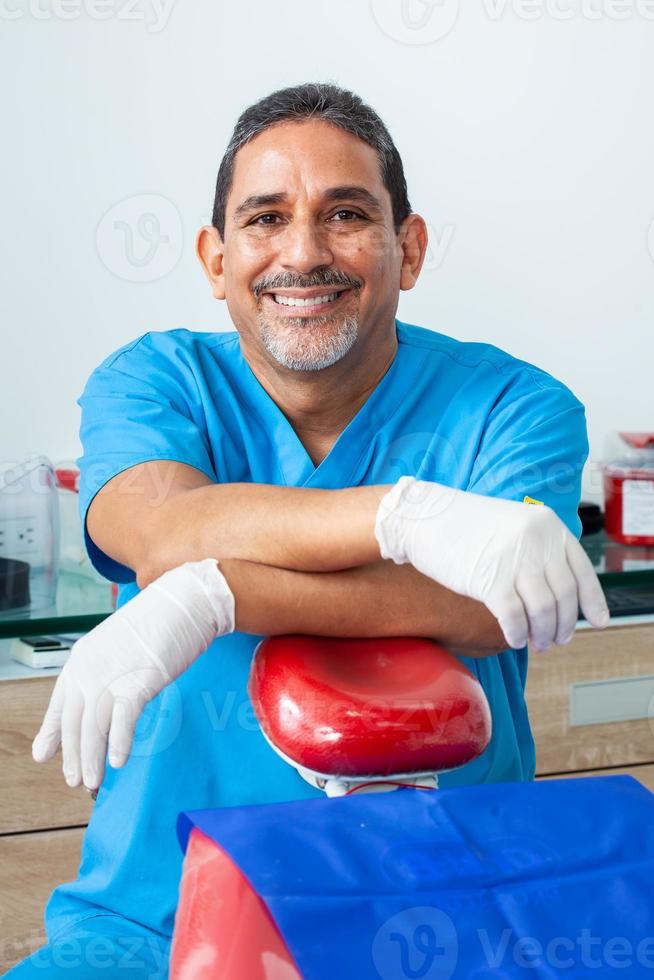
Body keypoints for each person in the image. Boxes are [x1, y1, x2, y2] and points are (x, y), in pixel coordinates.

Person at [9, 82, 608, 978]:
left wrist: (222, 592)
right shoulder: (156, 380)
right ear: (216, 258)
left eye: (347, 214)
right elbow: (167, 530)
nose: (303, 252)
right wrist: (408, 519)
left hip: (440, 919)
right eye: (265, 218)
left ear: (408, 248)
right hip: (156, 923)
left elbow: (496, 607)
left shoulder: (513, 407)